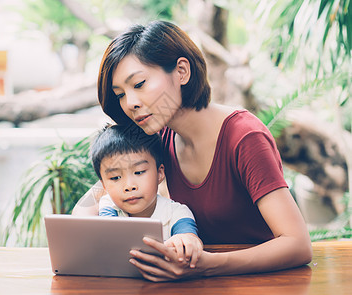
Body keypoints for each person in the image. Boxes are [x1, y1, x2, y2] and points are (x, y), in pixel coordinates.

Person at [73, 20, 312, 281]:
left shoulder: (244, 137)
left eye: (139, 84)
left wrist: (208, 265)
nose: (130, 103)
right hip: (194, 285)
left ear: (182, 71)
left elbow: (297, 245)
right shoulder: (157, 134)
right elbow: (90, 202)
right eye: (120, 94)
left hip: (265, 285)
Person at [91, 123, 202, 267]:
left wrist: (185, 240)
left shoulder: (177, 212)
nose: (129, 186)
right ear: (104, 185)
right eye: (115, 178)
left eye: (139, 172)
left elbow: (190, 238)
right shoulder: (109, 206)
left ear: (160, 173)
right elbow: (109, 234)